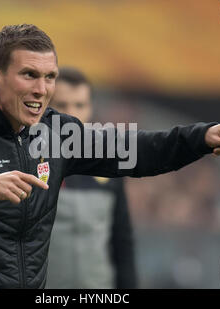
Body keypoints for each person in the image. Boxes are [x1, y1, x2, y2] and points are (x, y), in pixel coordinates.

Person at [0, 24, 220, 289]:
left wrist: (199, 139)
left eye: (50, 77)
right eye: (29, 75)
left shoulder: (58, 133)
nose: (42, 89)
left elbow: (134, 150)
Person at [46, 67, 136, 289]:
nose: (71, 114)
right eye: (62, 105)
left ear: (90, 108)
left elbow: (121, 241)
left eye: (79, 105)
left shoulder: (109, 163)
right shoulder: (27, 161)